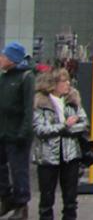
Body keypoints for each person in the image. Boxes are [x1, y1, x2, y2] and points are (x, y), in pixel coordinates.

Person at [31, 69, 88, 220]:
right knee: (47, 196)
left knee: (70, 197)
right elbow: (40, 129)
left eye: (68, 80)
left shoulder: (72, 100)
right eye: (64, 81)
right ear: (53, 84)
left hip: (71, 154)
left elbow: (83, 123)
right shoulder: (41, 103)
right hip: (48, 155)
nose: (68, 84)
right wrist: (63, 126)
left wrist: (69, 129)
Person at [0, 43, 34, 220]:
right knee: (2, 169)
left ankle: (21, 204)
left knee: (18, 170)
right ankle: (6, 197)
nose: (0, 59)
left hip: (18, 133)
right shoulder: (4, 77)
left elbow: (29, 108)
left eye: (3, 56)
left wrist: (25, 131)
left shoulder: (26, 77)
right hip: (3, 132)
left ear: (12, 59)